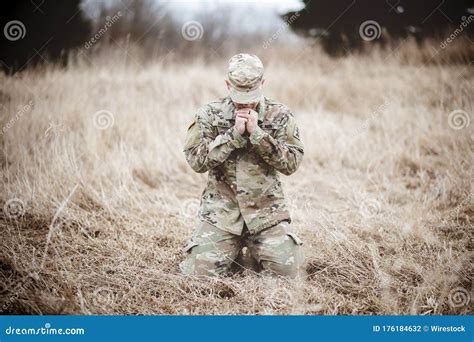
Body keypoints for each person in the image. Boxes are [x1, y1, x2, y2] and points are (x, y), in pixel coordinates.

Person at [180, 53, 305, 278]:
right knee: (196, 277)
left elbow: (292, 163)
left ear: (263, 84)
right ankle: (233, 253)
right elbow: (196, 161)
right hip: (222, 215)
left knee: (291, 273)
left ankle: (255, 253)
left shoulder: (280, 115)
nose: (246, 103)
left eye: (251, 96)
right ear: (227, 85)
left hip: (267, 214)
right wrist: (233, 136)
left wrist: (258, 135)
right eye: (239, 96)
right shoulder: (210, 114)